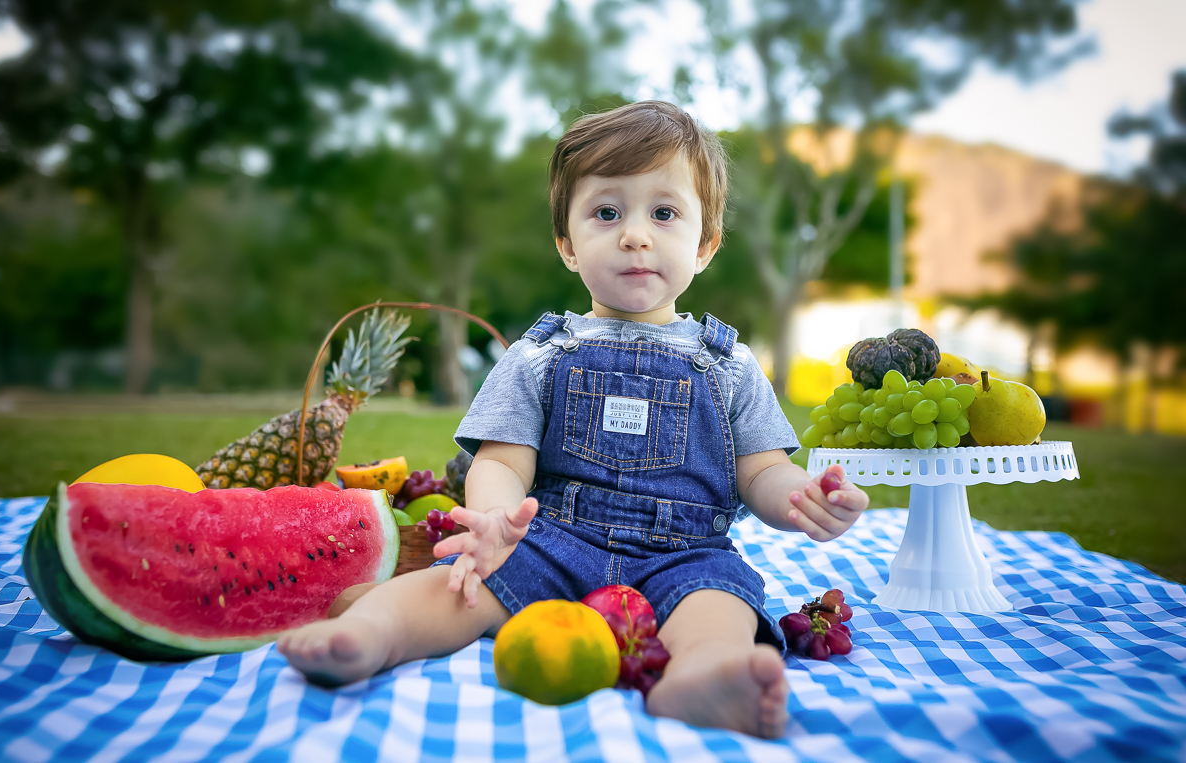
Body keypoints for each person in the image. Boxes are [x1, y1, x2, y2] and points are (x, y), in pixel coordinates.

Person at [278, 100, 870, 739]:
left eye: (663, 213)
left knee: (720, 603)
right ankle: (369, 635)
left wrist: (802, 499)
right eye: (606, 212)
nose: (634, 234)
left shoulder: (728, 364)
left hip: (686, 552)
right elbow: (503, 460)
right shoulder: (540, 354)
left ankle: (701, 678)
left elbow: (762, 471)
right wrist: (496, 520)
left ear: (704, 245)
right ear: (567, 243)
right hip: (557, 538)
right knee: (463, 585)